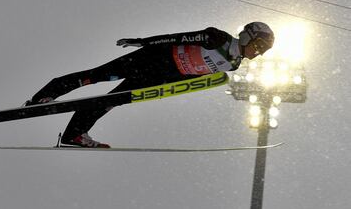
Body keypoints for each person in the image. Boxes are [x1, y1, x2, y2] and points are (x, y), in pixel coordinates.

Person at [25, 22, 274, 148]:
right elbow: (177, 37)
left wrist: (170, 86)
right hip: (152, 58)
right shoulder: (217, 38)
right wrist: (144, 42)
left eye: (263, 51)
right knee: (96, 75)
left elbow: (196, 77)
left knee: (110, 102)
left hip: (160, 76)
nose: (258, 53)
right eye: (259, 46)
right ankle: (42, 98)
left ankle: (74, 134)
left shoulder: (232, 66)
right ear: (247, 36)